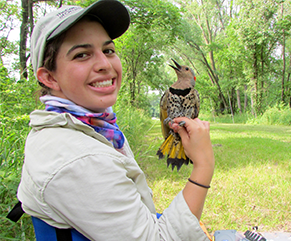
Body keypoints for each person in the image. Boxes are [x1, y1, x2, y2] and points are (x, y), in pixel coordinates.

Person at [16, 0, 215, 240]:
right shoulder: (77, 158)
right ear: (49, 77)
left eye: (108, 50)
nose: (105, 64)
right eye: (81, 55)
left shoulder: (90, 126)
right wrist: (203, 165)